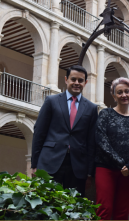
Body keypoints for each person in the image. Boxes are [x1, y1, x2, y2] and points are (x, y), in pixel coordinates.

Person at [31, 65, 98, 197]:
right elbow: (39, 133)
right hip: (50, 161)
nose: (77, 83)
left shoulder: (91, 108)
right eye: (73, 79)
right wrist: (34, 164)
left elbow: (92, 142)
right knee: (46, 203)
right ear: (66, 79)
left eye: (80, 80)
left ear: (86, 82)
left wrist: (90, 173)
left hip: (77, 166)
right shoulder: (52, 101)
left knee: (73, 207)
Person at [95, 77, 129, 220]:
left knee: (123, 213)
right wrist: (121, 162)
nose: (124, 95)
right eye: (120, 92)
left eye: (127, 91)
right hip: (106, 168)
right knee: (104, 209)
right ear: (114, 96)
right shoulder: (106, 114)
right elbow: (101, 140)